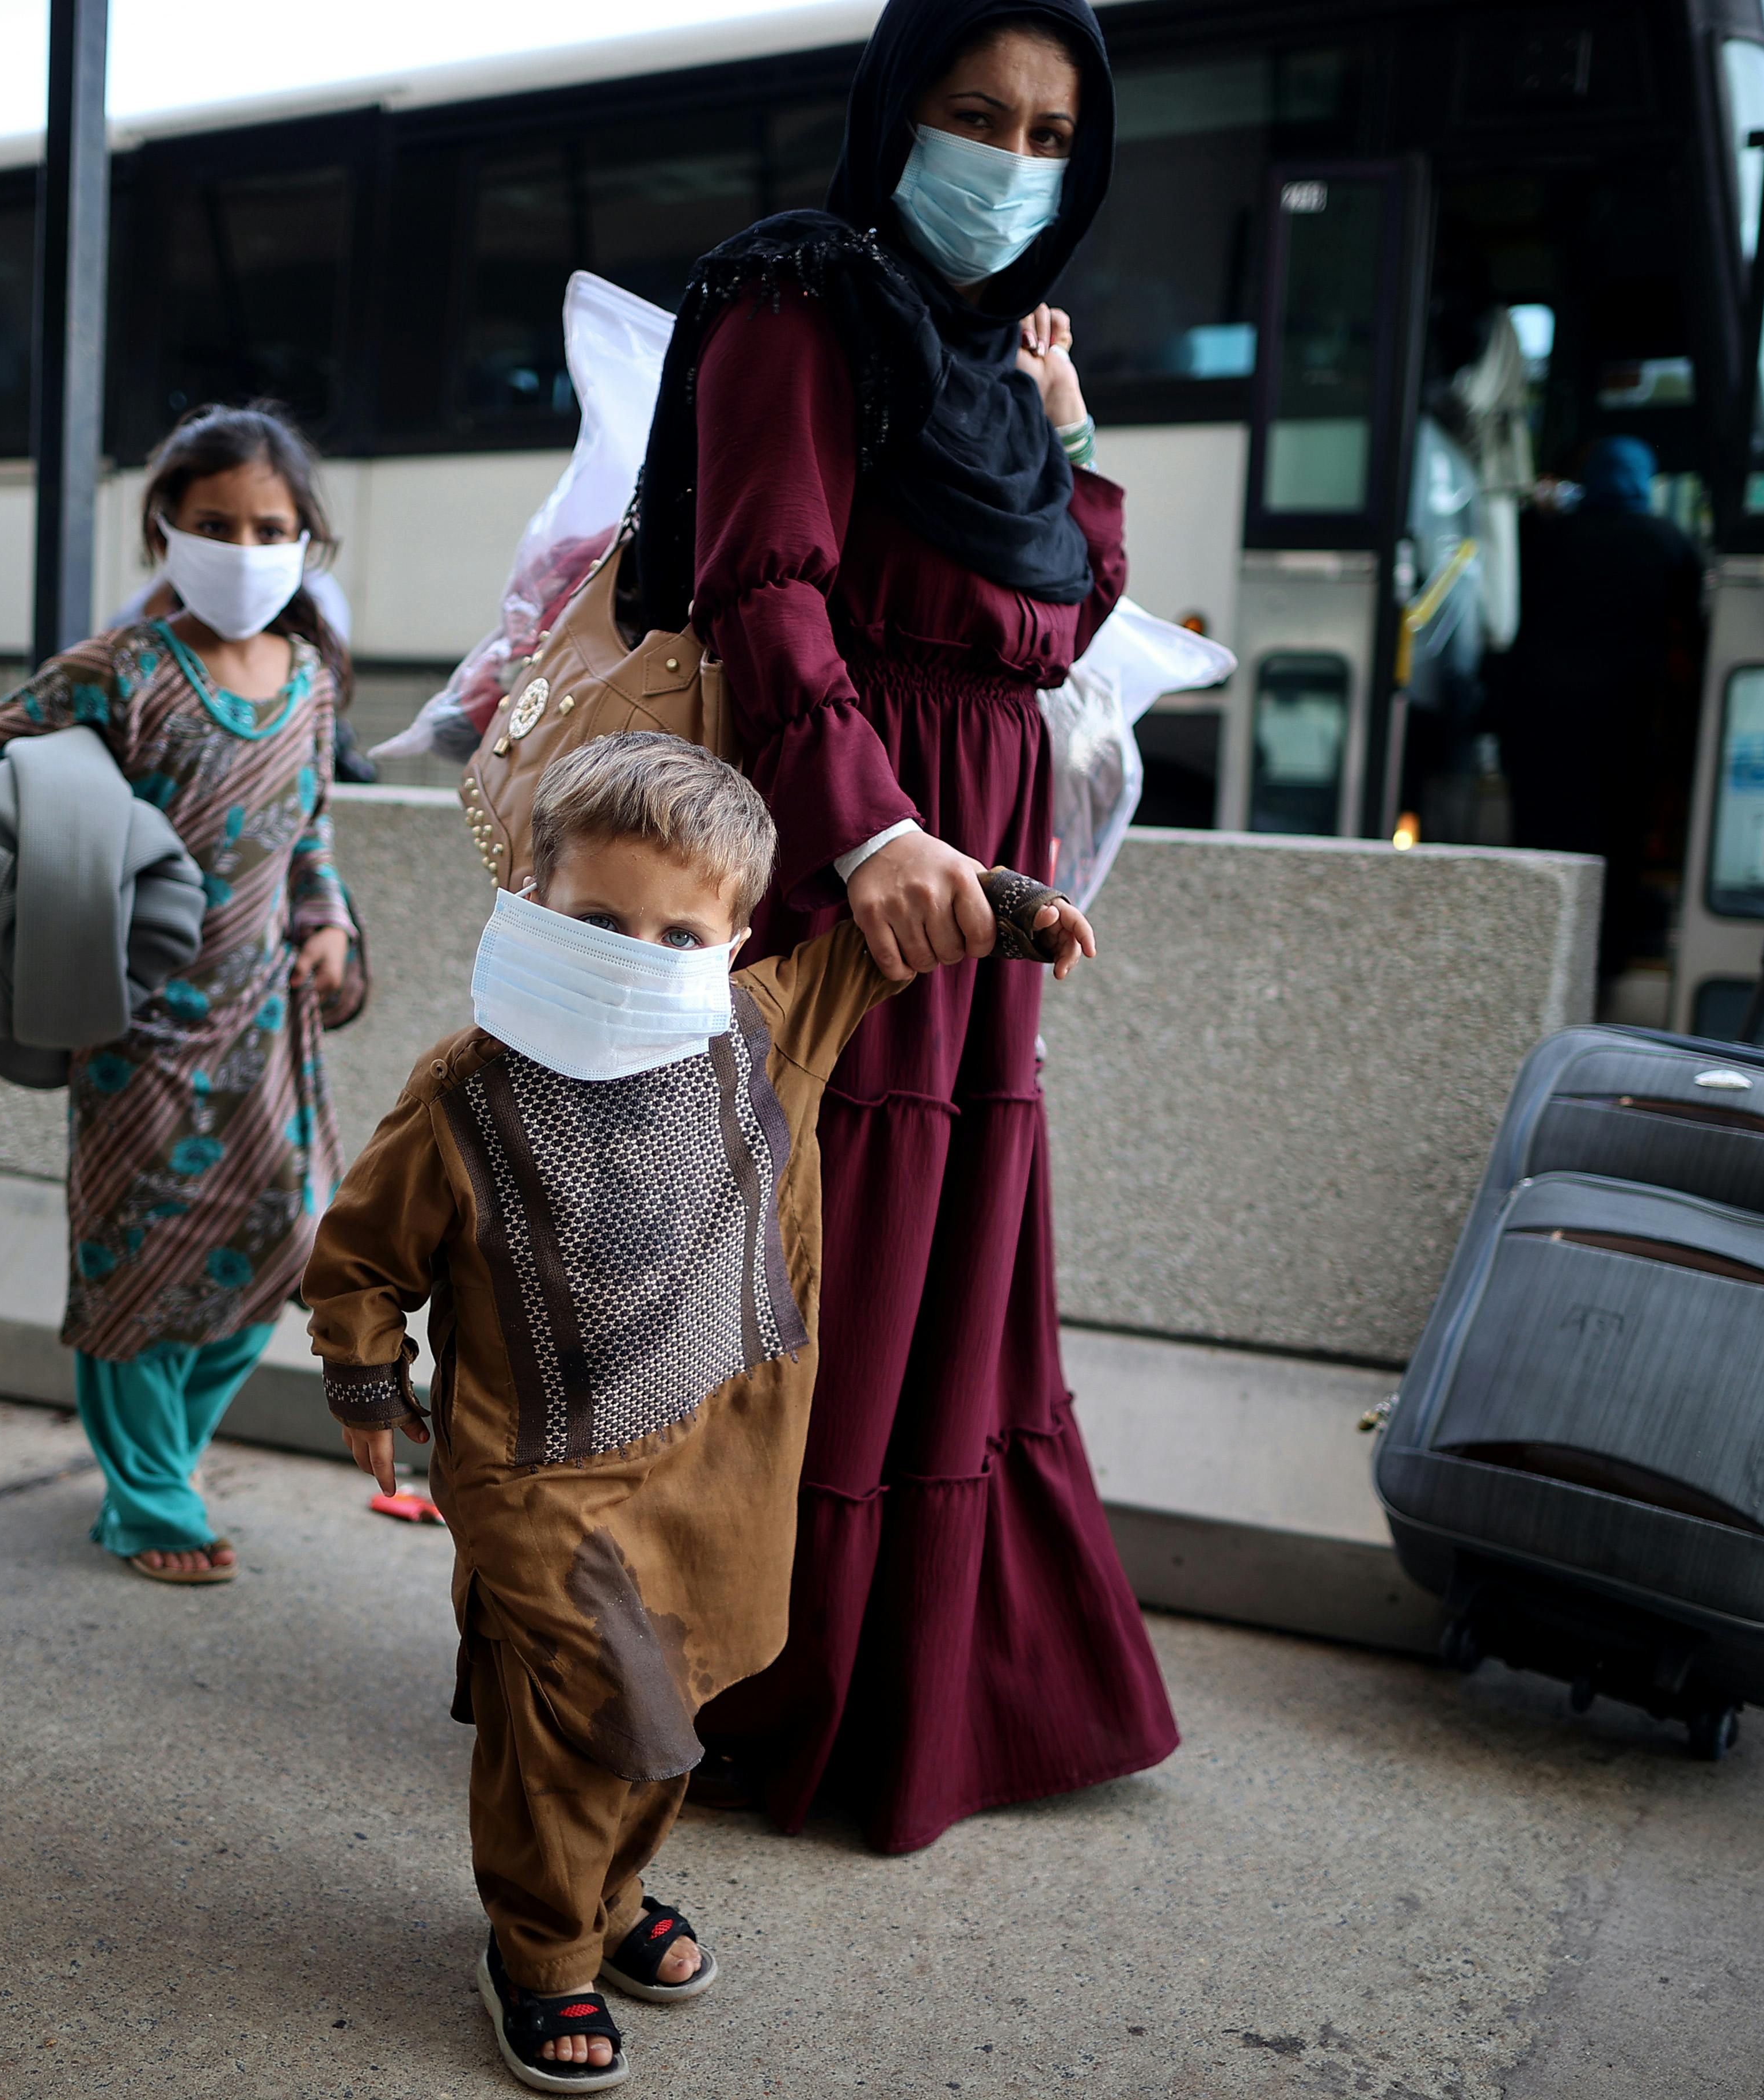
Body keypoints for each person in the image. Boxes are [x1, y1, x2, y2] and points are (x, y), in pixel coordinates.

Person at [306, 734, 1094, 2089]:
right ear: (528, 898)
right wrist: (367, 1379)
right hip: (533, 1472)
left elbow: (890, 930)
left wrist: (1015, 908)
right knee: (581, 1711)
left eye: (678, 931)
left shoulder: (763, 1024)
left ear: (732, 942)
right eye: (598, 921)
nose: (636, 953)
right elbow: (364, 1255)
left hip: (715, 1463)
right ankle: (538, 1948)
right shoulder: (464, 1090)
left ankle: (607, 1901)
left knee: (675, 1705)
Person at [622, 0, 1178, 1857]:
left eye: (1048, 131)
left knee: (929, 1267)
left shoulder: (984, 369)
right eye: (974, 112)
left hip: (971, 870)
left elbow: (1063, 614)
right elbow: (762, 582)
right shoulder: (801, 298)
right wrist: (867, 833)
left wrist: (1068, 429)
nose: (1011, 159)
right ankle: (732, 1677)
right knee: (814, 1259)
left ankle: (886, 1685)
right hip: (839, 861)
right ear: (894, 111)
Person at [0, 404, 364, 1583]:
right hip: (136, 1031)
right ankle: (148, 1500)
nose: (244, 547)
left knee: (288, 1246)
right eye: (215, 523)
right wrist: (78, 889)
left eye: (270, 526)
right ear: (165, 529)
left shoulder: (313, 676)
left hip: (268, 1028)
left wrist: (327, 923)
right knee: (135, 1259)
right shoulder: (121, 670)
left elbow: (308, 828)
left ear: (305, 538)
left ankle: (164, 1461)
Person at [1489, 435, 1705, 976]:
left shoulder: (1548, 537)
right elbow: (1692, 632)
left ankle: (1528, 961)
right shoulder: (1669, 542)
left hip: (1538, 728)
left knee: (1539, 845)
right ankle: (1596, 969)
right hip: (1620, 729)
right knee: (1611, 855)